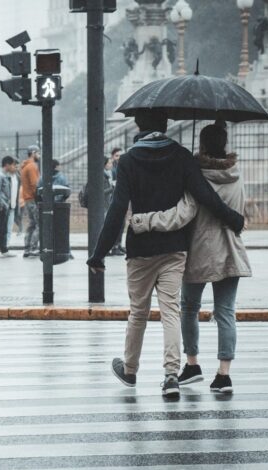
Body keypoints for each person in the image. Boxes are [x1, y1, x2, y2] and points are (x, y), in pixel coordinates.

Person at [86, 110, 245, 398]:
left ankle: (130, 370)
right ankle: (171, 375)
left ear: (138, 125)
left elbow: (117, 209)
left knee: (138, 312)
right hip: (174, 248)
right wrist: (232, 218)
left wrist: (98, 253)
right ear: (166, 124)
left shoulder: (129, 160)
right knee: (171, 311)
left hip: (140, 250)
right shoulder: (182, 156)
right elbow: (205, 196)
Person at [131, 124, 252, 394]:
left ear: (203, 145)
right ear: (225, 143)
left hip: (199, 249)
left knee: (188, 308)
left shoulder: (196, 175)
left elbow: (185, 213)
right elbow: (240, 210)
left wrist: (147, 221)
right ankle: (224, 375)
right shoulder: (236, 174)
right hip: (231, 250)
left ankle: (192, 363)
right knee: (226, 313)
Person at [0, 156, 18, 258]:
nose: (14, 167)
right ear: (7, 165)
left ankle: (4, 249)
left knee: (4, 229)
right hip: (0, 206)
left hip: (5, 206)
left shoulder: (4, 175)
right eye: (12, 165)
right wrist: (1, 205)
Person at [20, 145, 41, 258]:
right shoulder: (32, 166)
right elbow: (35, 185)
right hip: (34, 199)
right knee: (39, 224)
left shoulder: (24, 167)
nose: (39, 156)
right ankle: (34, 248)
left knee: (31, 224)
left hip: (27, 199)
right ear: (33, 153)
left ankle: (27, 248)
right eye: (38, 153)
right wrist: (39, 198)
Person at [110, 147, 127, 256]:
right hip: (114, 199)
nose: (119, 157)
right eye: (117, 155)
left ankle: (118, 245)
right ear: (113, 156)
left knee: (122, 223)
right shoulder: (112, 168)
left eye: (121, 155)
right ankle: (115, 246)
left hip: (122, 198)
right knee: (117, 223)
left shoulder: (122, 166)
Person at [6, 157, 21, 246]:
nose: (17, 168)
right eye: (16, 166)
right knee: (2, 228)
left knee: (9, 227)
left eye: (18, 167)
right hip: (5, 206)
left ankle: (6, 246)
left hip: (13, 205)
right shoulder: (5, 176)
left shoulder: (18, 177)